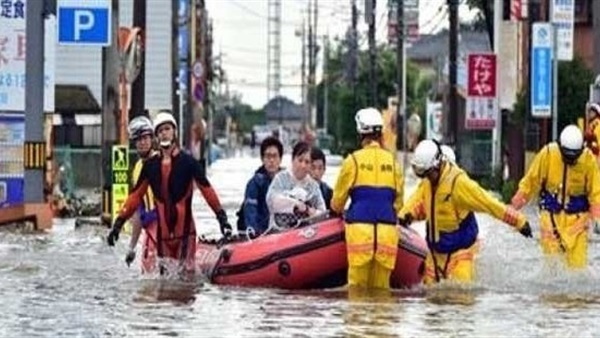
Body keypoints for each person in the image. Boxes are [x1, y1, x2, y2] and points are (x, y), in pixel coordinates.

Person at [107, 112, 232, 273]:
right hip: (163, 238)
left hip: (185, 234)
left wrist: (222, 219)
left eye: (167, 129)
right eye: (160, 131)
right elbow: (135, 198)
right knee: (163, 286)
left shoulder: (189, 163)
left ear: (175, 132)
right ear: (156, 136)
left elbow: (208, 192)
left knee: (185, 284)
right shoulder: (149, 166)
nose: (164, 133)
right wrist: (118, 225)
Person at [398, 139, 532, 285]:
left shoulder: (459, 183)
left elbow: (489, 203)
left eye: (428, 174)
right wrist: (404, 216)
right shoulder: (428, 183)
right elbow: (416, 204)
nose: (426, 178)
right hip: (436, 255)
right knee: (430, 298)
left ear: (437, 166)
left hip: (461, 255)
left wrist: (519, 221)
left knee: (461, 297)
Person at [330, 107, 404, 290]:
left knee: (357, 293)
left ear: (360, 132)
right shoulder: (393, 163)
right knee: (382, 294)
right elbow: (399, 203)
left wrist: (335, 210)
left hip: (360, 235)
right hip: (387, 236)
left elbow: (338, 203)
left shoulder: (352, 161)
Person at [511, 125, 600, 267]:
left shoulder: (588, 160)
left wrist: (597, 219)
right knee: (552, 266)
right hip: (550, 219)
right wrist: (514, 208)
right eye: (567, 156)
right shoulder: (547, 154)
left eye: (574, 157)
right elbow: (530, 181)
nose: (570, 161)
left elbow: (596, 193)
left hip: (578, 221)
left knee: (577, 267)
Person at [122, 116, 159, 272]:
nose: (142, 142)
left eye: (145, 138)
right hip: (149, 231)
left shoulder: (162, 161)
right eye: (138, 139)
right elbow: (138, 211)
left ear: (152, 138)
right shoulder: (137, 168)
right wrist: (132, 247)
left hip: (165, 227)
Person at [266, 141, 326, 232]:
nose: (303, 165)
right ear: (293, 160)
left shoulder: (313, 186)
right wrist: (295, 204)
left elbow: (323, 212)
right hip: (279, 231)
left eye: (307, 162)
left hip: (305, 233)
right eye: (300, 160)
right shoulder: (281, 178)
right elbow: (271, 200)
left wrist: (308, 210)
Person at [237, 136, 283, 237]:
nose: (271, 160)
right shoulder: (254, 184)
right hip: (262, 234)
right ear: (262, 159)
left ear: (280, 159)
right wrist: (254, 233)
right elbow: (251, 211)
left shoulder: (287, 182)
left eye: (275, 156)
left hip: (283, 232)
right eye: (268, 156)